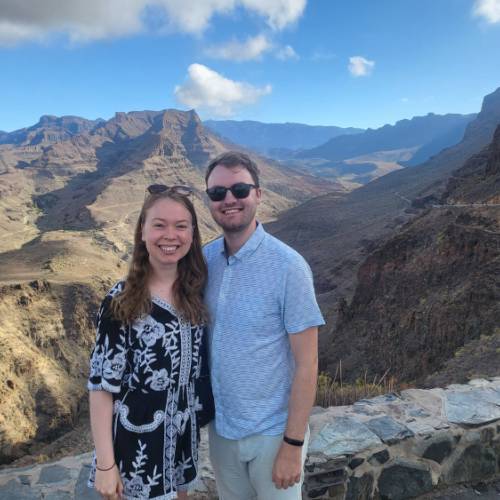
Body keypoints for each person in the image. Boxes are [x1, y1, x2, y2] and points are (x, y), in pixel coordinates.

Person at [203, 151, 325, 499]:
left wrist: (293, 444)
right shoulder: (204, 260)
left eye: (240, 189)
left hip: (272, 436)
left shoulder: (289, 267)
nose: (229, 199)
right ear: (209, 200)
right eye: (218, 193)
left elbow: (308, 363)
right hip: (222, 433)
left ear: (258, 194)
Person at [87, 185, 213, 500]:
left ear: (192, 233)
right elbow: (102, 386)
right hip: (136, 450)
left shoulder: (194, 292)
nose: (170, 235)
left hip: (181, 444)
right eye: (159, 225)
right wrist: (105, 465)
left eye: (180, 226)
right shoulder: (122, 301)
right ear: (142, 231)